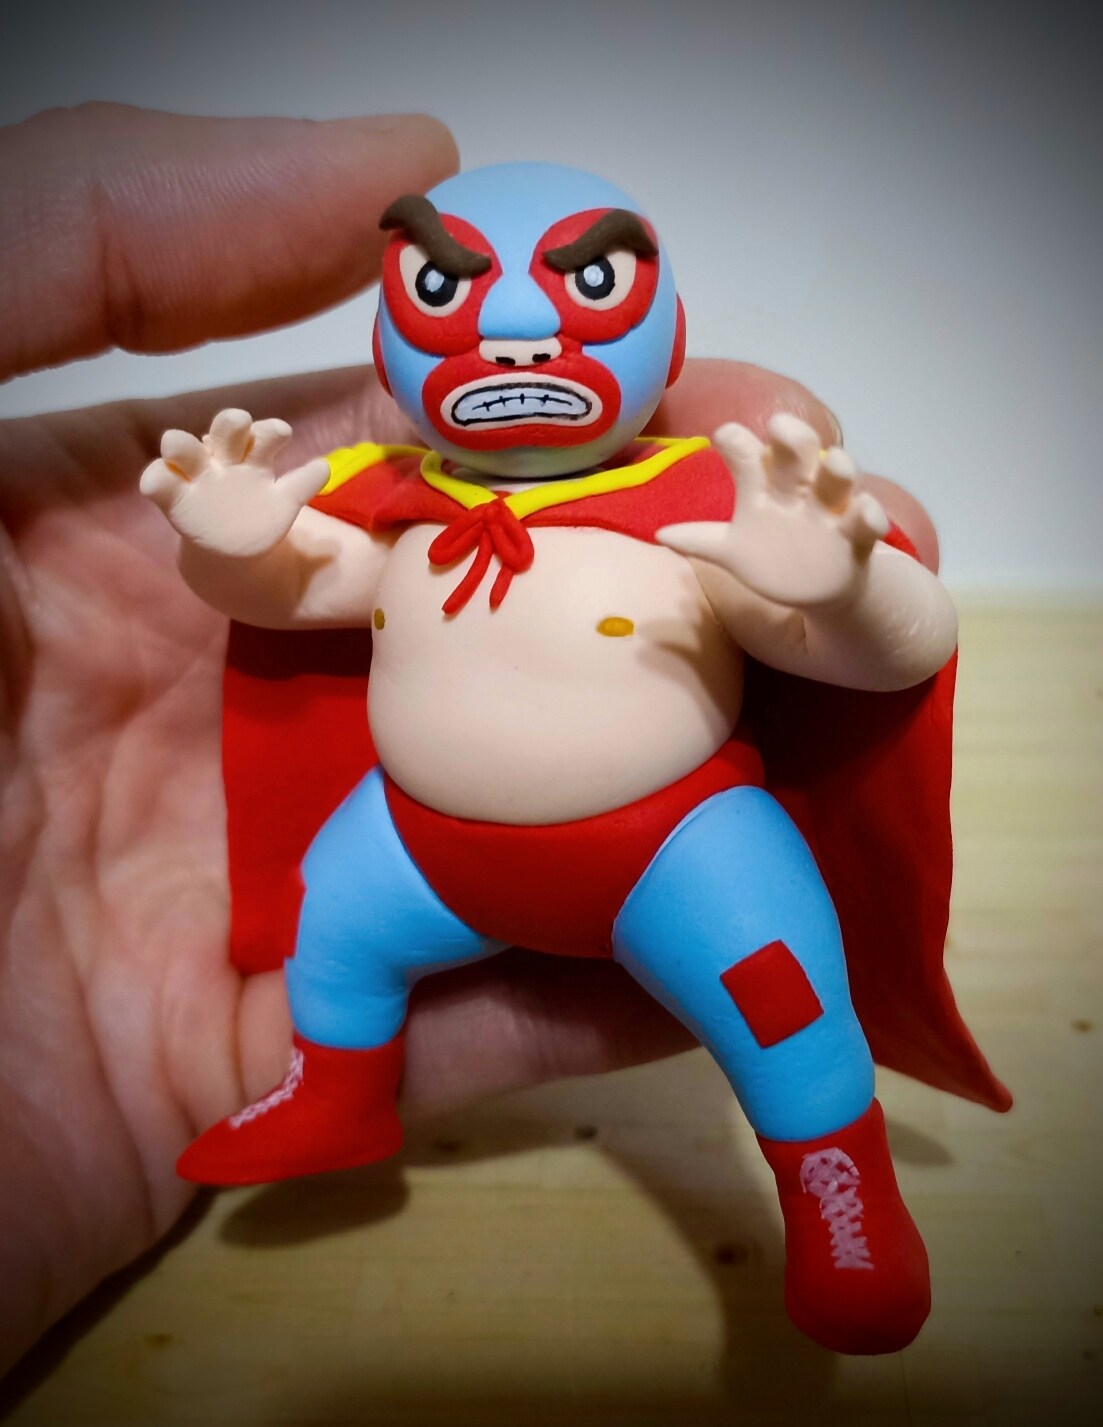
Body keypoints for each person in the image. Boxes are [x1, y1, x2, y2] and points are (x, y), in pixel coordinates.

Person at [0, 104, 941, 1373]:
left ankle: (838, 1188)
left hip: (673, 848)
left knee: (779, 993)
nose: (516, 334)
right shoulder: (394, 508)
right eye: (447, 291)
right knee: (330, 917)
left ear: (663, 331)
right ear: (391, 340)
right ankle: (336, 1091)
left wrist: (841, 584)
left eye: (585, 286)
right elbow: (291, 590)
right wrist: (228, 545)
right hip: (422, 846)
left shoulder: (699, 512)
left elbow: (898, 651)